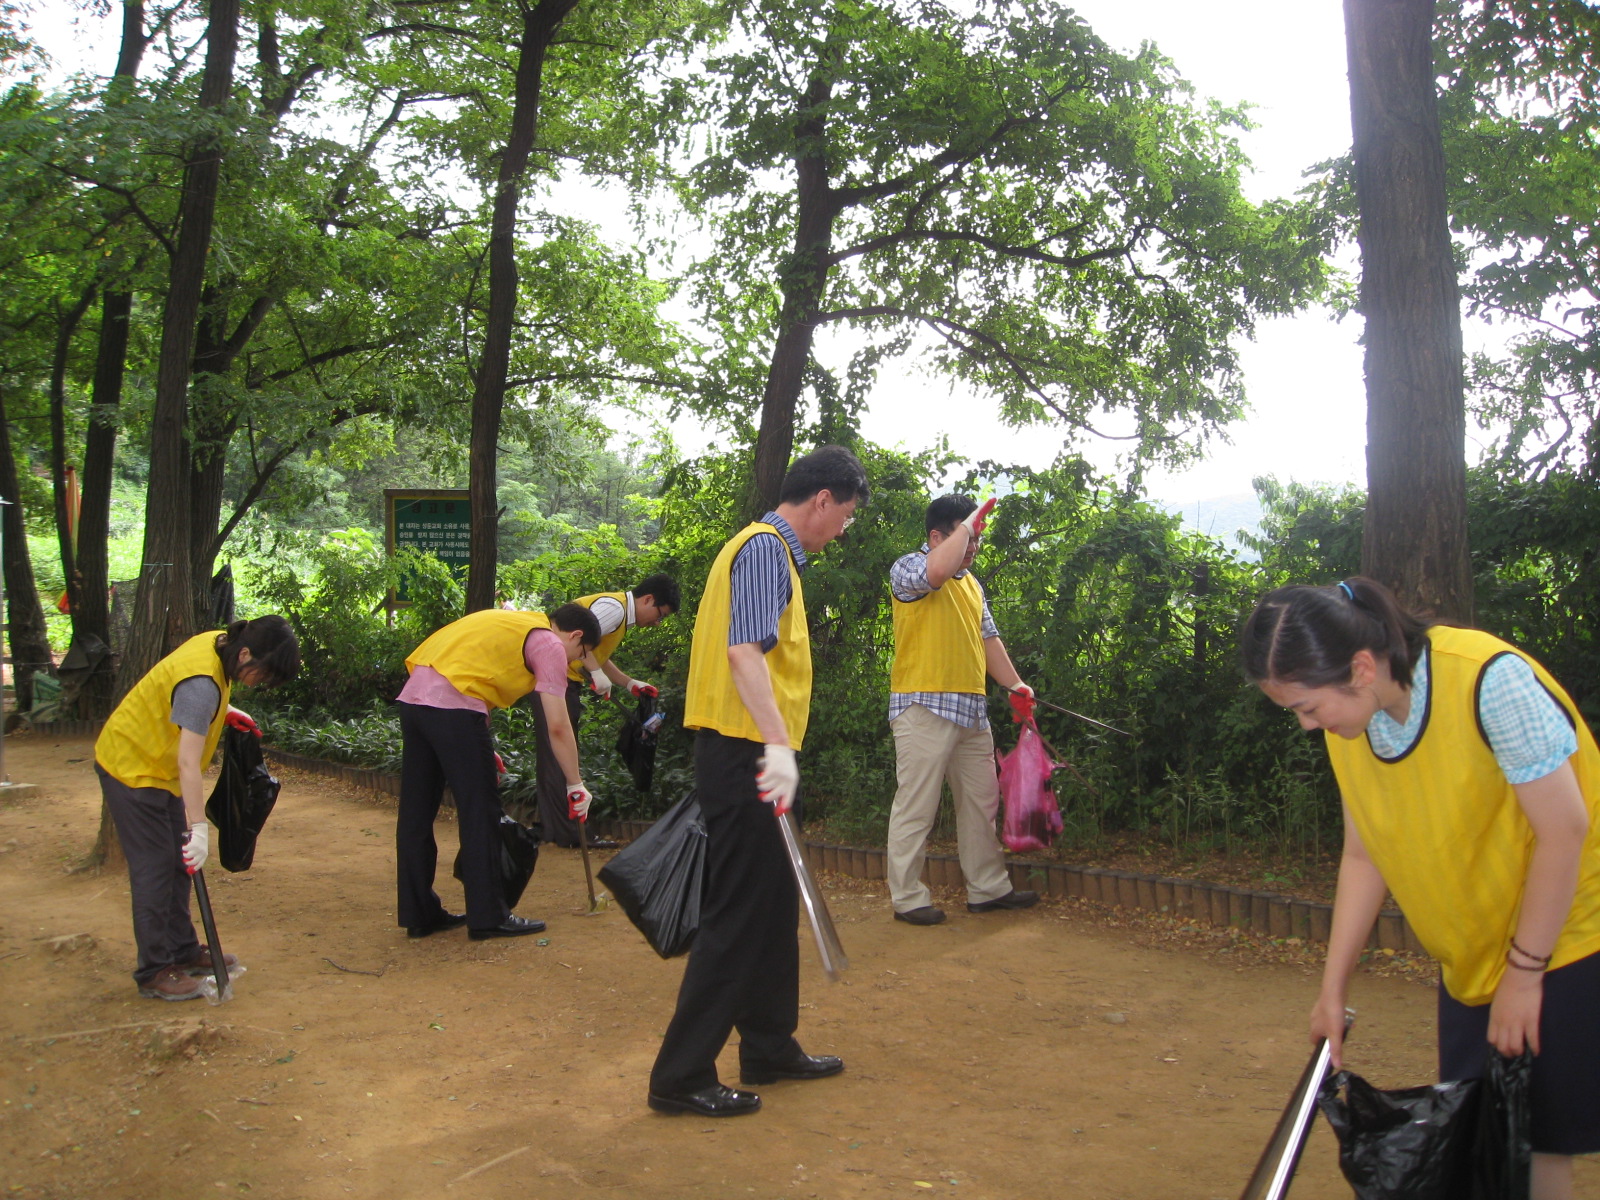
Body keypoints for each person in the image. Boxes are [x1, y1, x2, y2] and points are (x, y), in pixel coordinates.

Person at [1241, 576, 1600, 1199]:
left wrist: (1524, 974)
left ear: (1359, 667)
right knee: (1489, 1144)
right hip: (1472, 961)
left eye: (1306, 706)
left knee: (1536, 1147)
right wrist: (1332, 988)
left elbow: (1565, 831)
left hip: (1567, 940)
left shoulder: (1489, 680)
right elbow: (1363, 854)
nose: (1306, 725)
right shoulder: (1351, 727)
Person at [647, 445, 870, 1118]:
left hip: (757, 754)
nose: (845, 530)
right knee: (739, 912)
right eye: (847, 516)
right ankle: (681, 1075)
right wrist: (776, 744)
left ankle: (769, 1044)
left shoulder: (771, 553)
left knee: (772, 905)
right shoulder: (767, 550)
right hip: (745, 754)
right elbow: (744, 649)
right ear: (823, 500)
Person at [95, 616, 300, 1001]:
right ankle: (155, 970)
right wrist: (198, 827)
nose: (260, 682)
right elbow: (188, 763)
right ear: (245, 654)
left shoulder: (218, 644)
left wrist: (227, 710)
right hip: (133, 769)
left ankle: (183, 949)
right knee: (156, 869)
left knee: (176, 865)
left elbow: (190, 702)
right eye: (263, 674)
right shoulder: (201, 685)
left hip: (158, 768)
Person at [395, 603, 600, 941]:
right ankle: (488, 915)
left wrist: (482, 747)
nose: (574, 661)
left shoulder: (519, 621)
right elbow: (559, 727)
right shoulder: (549, 644)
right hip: (454, 709)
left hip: (415, 701)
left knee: (416, 812)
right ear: (575, 635)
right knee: (480, 813)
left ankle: (419, 913)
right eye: (581, 653)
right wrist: (576, 783)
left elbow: (469, 671)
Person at [885, 494, 1038, 926]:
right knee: (917, 805)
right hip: (923, 705)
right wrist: (968, 528)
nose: (973, 548)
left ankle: (988, 889)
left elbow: (989, 640)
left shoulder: (971, 584)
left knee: (982, 803)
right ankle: (908, 898)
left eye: (975, 541)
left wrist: (1015, 684)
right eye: (965, 538)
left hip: (971, 711)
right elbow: (935, 571)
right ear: (936, 537)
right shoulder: (908, 566)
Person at [534, 574, 681, 848]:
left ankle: (554, 828)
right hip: (556, 678)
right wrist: (596, 672)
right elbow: (580, 639)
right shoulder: (615, 609)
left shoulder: (619, 615)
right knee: (560, 752)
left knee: (556, 753)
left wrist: (627, 683)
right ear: (647, 599)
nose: (658, 622)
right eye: (660, 614)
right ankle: (567, 833)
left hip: (562, 679)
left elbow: (595, 652)